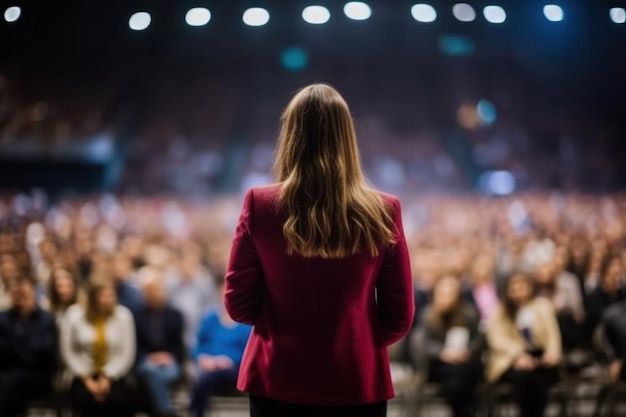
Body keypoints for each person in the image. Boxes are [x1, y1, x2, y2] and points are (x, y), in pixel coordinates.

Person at [224, 84, 414, 417]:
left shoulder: (260, 204)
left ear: (291, 135)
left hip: (277, 375)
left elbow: (238, 304)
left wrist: (283, 327)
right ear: (346, 137)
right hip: (355, 378)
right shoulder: (384, 209)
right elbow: (399, 316)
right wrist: (356, 339)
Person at [486, 272, 561, 417]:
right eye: (514, 285)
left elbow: (553, 335)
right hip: (510, 360)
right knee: (524, 378)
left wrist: (551, 354)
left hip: (540, 356)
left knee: (541, 377)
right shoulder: (500, 311)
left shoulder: (542, 306)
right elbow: (497, 339)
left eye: (522, 284)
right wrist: (518, 355)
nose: (519, 288)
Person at [410, 276, 484, 417]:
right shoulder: (428, 315)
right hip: (440, 366)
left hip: (464, 364)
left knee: (460, 376)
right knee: (458, 380)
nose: (446, 298)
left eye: (450, 294)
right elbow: (420, 343)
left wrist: (468, 351)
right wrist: (441, 353)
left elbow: (479, 339)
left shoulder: (470, 314)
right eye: (442, 294)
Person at [61, 279, 136, 417]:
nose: (108, 300)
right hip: (82, 373)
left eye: (111, 295)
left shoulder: (124, 316)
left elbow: (126, 353)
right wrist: (87, 380)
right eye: (103, 296)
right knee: (84, 399)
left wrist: (107, 377)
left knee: (117, 399)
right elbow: (68, 351)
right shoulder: (74, 315)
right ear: (92, 298)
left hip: (115, 373)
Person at [189, 277, 251, 417]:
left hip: (233, 370)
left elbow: (248, 352)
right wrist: (203, 357)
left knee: (205, 379)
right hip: (208, 366)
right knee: (204, 377)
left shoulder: (246, 321)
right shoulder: (210, 317)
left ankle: (195, 412)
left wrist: (228, 360)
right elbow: (198, 344)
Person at [0, 276, 58, 417]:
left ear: (34, 296)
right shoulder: (3, 319)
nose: (20, 300)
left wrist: (15, 344)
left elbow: (41, 354)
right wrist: (24, 344)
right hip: (6, 373)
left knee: (14, 380)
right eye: (16, 295)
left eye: (24, 295)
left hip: (38, 377)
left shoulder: (46, 321)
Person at [135, 267, 185, 417]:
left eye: (160, 290)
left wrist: (167, 356)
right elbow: (136, 345)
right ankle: (165, 411)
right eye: (153, 291)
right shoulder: (137, 315)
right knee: (152, 371)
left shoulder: (175, 315)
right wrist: (150, 357)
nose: (157, 294)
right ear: (146, 294)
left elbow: (178, 344)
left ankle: (158, 411)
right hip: (146, 360)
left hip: (169, 360)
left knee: (161, 375)